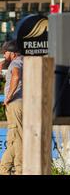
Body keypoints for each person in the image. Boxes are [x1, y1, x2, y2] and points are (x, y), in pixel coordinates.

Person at [0, 40, 23, 175]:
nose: (4, 54)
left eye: (6, 52)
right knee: (13, 138)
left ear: (13, 53)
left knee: (17, 137)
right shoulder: (25, 61)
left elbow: (15, 76)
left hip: (15, 103)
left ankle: (19, 170)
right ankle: (4, 168)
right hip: (25, 104)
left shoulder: (15, 63)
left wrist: (8, 97)